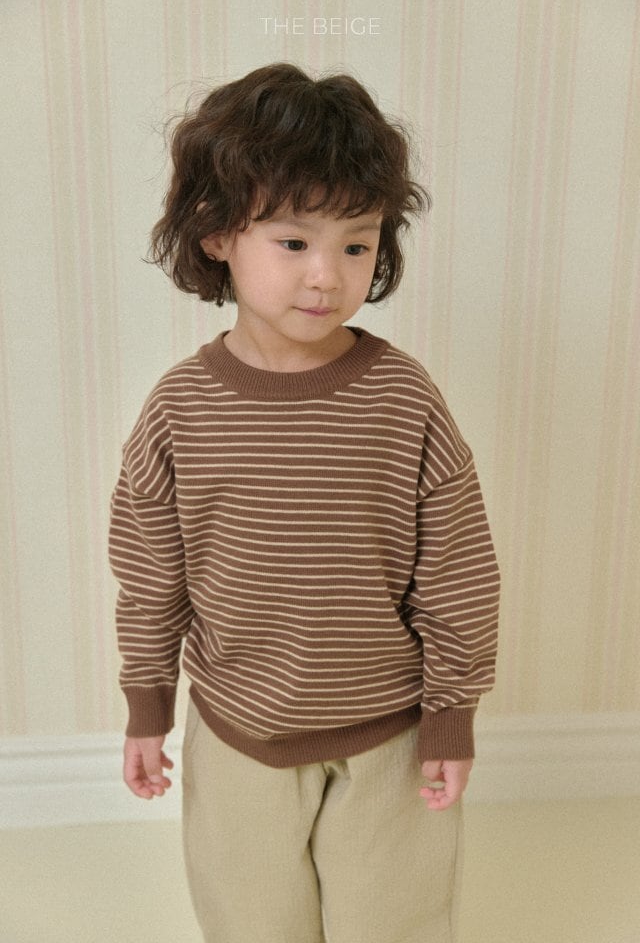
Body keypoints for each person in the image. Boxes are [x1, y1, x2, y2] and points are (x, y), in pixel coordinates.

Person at [109, 62, 499, 943]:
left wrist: (451, 715)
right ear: (217, 234)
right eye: (293, 243)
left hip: (390, 735)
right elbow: (151, 574)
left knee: (395, 924)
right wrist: (146, 705)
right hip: (237, 735)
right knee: (252, 924)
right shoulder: (179, 409)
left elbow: (458, 568)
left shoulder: (403, 398)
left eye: (356, 245)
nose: (327, 275)